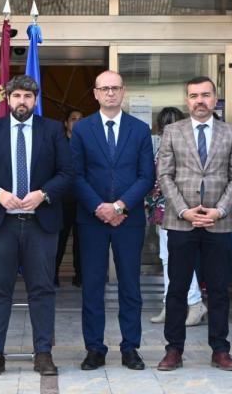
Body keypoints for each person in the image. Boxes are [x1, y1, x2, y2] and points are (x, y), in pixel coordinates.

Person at [0, 75, 74, 377]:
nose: (22, 102)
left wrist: (44, 194)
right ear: (7, 99)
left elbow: (67, 172)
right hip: (2, 226)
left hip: (41, 224)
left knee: (42, 290)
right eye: (17, 97)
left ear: (35, 100)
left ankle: (43, 354)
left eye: (28, 96)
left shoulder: (51, 130)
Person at [155, 76, 232, 372]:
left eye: (205, 95)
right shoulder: (172, 131)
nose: (199, 100)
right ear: (187, 100)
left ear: (215, 97)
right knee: (177, 289)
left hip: (218, 223)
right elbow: (164, 175)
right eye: (194, 96)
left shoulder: (230, 133)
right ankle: (173, 350)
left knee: (218, 289)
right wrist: (184, 211)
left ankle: (220, 349)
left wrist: (218, 210)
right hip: (181, 222)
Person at [72, 71, 156, 371]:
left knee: (130, 286)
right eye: (104, 89)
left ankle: (131, 347)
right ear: (95, 93)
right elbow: (76, 174)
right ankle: (94, 348)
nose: (110, 93)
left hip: (128, 219)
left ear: (124, 92)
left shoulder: (139, 129)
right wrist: (99, 207)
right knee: (92, 285)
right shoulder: (82, 129)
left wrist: (119, 206)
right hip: (91, 219)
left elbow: (147, 175)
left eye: (115, 88)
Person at [149, 106, 207, 327]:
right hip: (163, 208)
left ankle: (194, 303)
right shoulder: (164, 144)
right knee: (166, 257)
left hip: (181, 208)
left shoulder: (183, 144)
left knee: (178, 258)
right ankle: (171, 303)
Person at [56, 108, 84, 288]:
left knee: (82, 243)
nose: (77, 122)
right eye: (73, 119)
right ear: (66, 123)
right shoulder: (58, 142)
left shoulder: (88, 142)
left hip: (83, 200)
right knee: (59, 239)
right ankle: (52, 276)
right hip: (62, 200)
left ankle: (80, 277)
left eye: (81, 119)